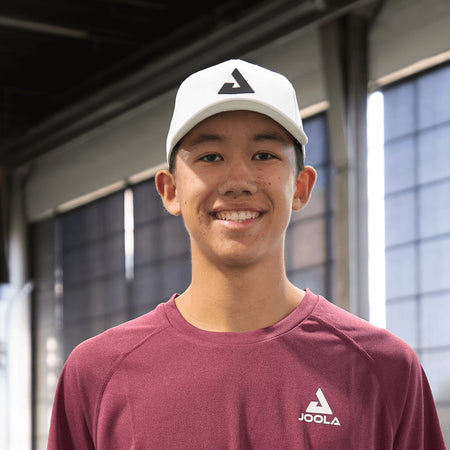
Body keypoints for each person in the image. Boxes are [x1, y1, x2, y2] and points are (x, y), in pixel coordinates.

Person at [47, 59, 445, 449]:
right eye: (210, 157)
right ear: (170, 190)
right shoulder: (96, 373)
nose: (239, 181)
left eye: (264, 155)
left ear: (301, 187)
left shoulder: (384, 369)